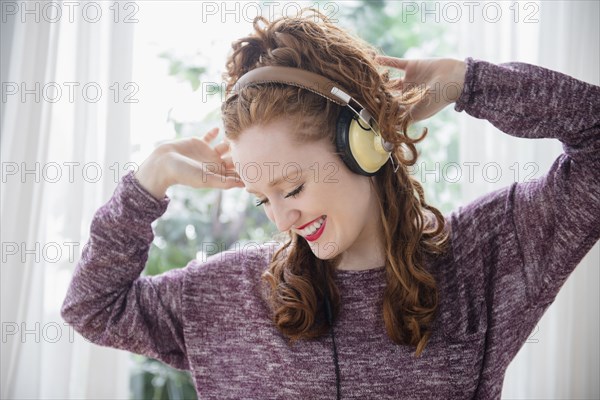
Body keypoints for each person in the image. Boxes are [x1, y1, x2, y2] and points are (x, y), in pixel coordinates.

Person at [61, 8, 600, 400]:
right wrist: (146, 183)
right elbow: (93, 307)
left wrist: (469, 82)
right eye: (263, 199)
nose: (282, 219)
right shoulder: (226, 294)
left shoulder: (487, 259)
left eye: (293, 188)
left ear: (363, 145)